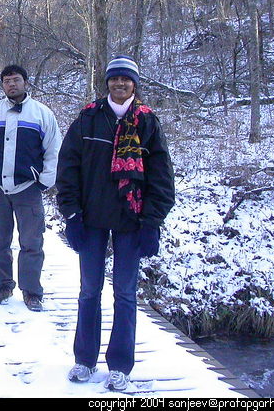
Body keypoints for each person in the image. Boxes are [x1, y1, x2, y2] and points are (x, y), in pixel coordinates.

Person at [56, 55, 175, 391]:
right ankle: (84, 359)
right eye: (114, 79)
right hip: (91, 218)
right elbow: (68, 168)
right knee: (89, 291)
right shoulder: (89, 117)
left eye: (126, 79)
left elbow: (162, 177)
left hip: (132, 220)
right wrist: (71, 214)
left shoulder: (147, 121)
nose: (120, 84)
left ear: (134, 84)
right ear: (106, 82)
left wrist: (152, 221)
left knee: (124, 293)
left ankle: (120, 365)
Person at [0, 64, 62, 312]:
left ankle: (31, 292)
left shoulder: (41, 114)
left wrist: (44, 181)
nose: (11, 84)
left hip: (28, 187)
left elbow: (53, 150)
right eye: (7, 81)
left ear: (25, 82)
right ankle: (2, 286)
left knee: (32, 242)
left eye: (16, 80)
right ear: (2, 85)